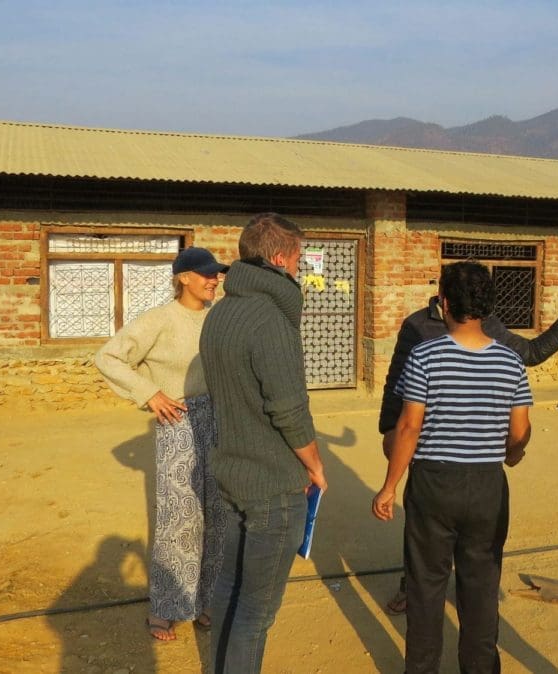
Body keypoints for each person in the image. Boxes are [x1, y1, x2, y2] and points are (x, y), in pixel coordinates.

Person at [379, 290, 558, 614]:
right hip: (432, 460)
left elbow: (529, 353)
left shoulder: (487, 326)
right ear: (445, 298)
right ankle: (413, 586)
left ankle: (467, 603)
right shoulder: (418, 327)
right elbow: (397, 383)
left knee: (475, 556)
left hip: (480, 462)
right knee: (424, 540)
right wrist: (389, 431)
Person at [372, 261, 533, 674]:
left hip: (433, 483)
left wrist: (390, 486)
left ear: (443, 302)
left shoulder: (425, 355)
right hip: (487, 487)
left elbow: (408, 426)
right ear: (488, 306)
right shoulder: (510, 361)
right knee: (480, 586)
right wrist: (512, 456)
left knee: (426, 586)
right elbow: (519, 431)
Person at [199, 212, 327, 673]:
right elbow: (289, 411)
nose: (299, 270)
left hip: (233, 473)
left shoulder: (221, 314)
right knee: (254, 614)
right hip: (273, 486)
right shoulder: (270, 320)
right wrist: (314, 466)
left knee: (228, 592)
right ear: (279, 258)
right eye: (297, 261)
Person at [94, 246, 230, 641]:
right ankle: (167, 607)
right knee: (180, 518)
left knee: (216, 515)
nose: (213, 280)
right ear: (183, 277)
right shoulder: (158, 320)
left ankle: (202, 600)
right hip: (179, 422)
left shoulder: (218, 318)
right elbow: (108, 357)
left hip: (219, 421)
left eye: (217, 274)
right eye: (206, 274)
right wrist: (150, 393)